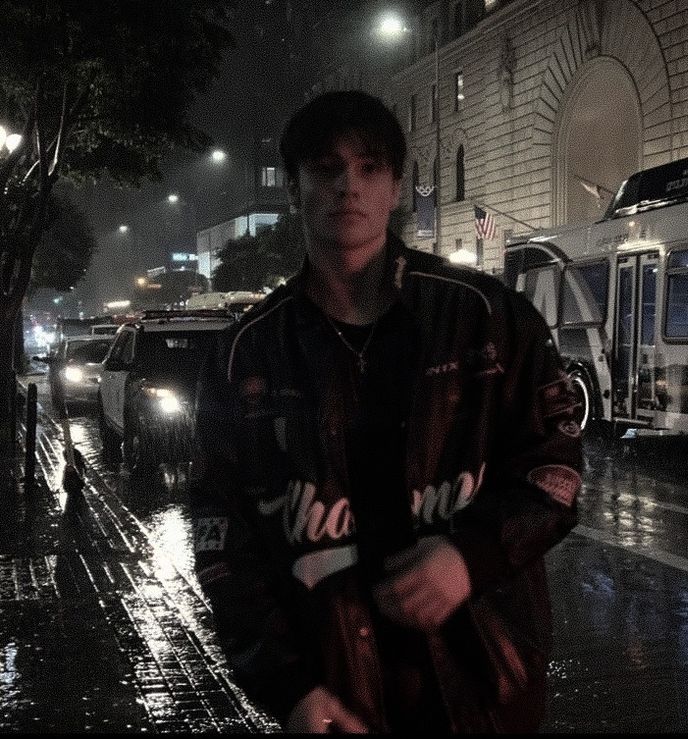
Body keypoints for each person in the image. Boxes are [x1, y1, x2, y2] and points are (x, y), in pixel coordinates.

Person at [190, 89, 583, 734]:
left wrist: (469, 561)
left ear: (396, 186)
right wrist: (287, 686)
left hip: (483, 678)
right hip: (335, 693)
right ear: (294, 189)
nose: (349, 186)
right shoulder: (246, 354)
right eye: (326, 168)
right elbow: (223, 537)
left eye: (370, 167)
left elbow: (555, 467)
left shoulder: (487, 318)